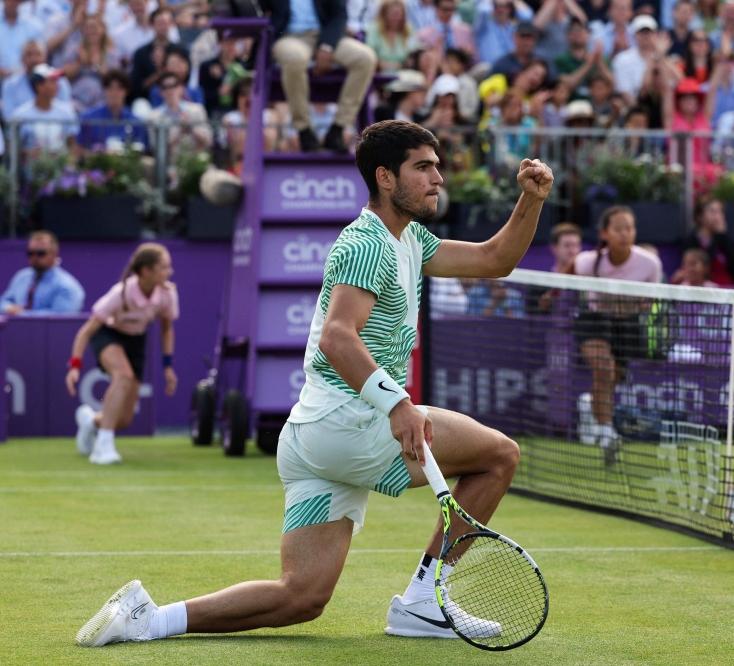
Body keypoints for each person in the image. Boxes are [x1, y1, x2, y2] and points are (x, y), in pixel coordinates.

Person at [74, 119, 554, 648]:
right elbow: (337, 337)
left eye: (437, 166)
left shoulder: (411, 238)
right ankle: (423, 600)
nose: (437, 177)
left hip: (310, 439)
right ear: (385, 178)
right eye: (423, 166)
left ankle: (149, 619)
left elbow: (495, 259)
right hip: (354, 423)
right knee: (500, 455)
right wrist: (397, 404)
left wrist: (530, 200)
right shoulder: (367, 243)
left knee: (300, 597)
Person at [65, 243, 179, 465]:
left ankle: (90, 421)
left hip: (136, 341)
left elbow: (166, 328)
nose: (169, 272)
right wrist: (75, 366)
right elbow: (86, 331)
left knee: (124, 419)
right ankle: (102, 448)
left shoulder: (167, 294)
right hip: (109, 335)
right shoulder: (121, 294)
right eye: (164, 267)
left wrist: (168, 366)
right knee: (123, 375)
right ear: (146, 271)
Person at [570, 206, 662, 464]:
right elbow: (569, 270)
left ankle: (593, 406)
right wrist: (549, 295)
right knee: (604, 369)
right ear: (605, 233)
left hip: (628, 325)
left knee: (612, 379)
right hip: (594, 320)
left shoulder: (649, 264)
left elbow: (653, 299)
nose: (625, 234)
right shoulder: (589, 261)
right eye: (618, 229)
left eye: (629, 228)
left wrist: (645, 301)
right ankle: (607, 435)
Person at [263, 0, 378, 153]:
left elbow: (339, 14)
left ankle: (338, 129)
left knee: (366, 58)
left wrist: (327, 45)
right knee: (294, 59)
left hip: (326, 35)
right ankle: (303, 130)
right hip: (289, 37)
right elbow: (257, 9)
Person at [0, 230, 85, 316]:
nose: (34, 257)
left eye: (40, 253)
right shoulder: (21, 278)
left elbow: (60, 319)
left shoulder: (66, 286)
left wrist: (21, 314)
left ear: (54, 253)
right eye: (30, 253)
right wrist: (7, 308)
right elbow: (3, 302)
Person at [9, 64, 79, 152]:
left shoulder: (67, 112)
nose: (57, 86)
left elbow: (72, 146)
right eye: (52, 81)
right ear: (39, 86)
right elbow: (14, 150)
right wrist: (30, 154)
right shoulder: (19, 115)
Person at [77, 69, 149, 151]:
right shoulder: (89, 118)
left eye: (119, 88)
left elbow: (143, 152)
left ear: (126, 91)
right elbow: (80, 150)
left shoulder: (137, 123)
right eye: (110, 88)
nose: (114, 93)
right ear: (104, 90)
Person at [0, 39, 72, 120]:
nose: (34, 59)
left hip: (58, 132)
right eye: (29, 54)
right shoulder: (10, 84)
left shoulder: (60, 81)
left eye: (38, 54)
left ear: (45, 57)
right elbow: (9, 119)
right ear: (22, 58)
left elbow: (68, 118)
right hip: (23, 132)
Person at [677, 195, 734, 285]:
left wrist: (723, 237)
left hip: (728, 288)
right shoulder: (691, 241)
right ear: (699, 216)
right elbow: (704, 265)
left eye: (721, 211)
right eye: (713, 211)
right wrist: (717, 238)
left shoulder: (726, 238)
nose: (718, 216)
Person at [147, 72, 212, 155]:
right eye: (165, 87)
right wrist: (179, 131)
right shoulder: (153, 117)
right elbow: (156, 148)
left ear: (181, 88)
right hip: (168, 165)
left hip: (196, 162)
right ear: (160, 92)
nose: (169, 91)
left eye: (173, 86)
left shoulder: (197, 110)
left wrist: (190, 127)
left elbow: (208, 143)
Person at [64, 14, 119, 112]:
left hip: (102, 101)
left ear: (102, 29)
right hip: (77, 100)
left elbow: (115, 81)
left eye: (95, 27)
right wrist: (80, 63)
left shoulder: (111, 54)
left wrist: (99, 66)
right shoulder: (75, 50)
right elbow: (65, 76)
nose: (91, 30)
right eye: (88, 27)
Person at [130, 8, 183, 101]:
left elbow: (185, 81)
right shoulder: (141, 53)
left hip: (176, 98)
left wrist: (167, 66)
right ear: (152, 25)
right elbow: (138, 87)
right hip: (146, 100)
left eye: (167, 22)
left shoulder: (180, 51)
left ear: (171, 24)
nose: (164, 26)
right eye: (160, 23)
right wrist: (159, 73)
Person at [199, 34, 248, 117]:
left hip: (237, 110)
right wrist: (218, 92)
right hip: (215, 110)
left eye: (234, 43)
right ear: (220, 44)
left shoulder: (243, 66)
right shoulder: (207, 66)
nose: (231, 47)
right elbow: (202, 94)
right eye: (228, 43)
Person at [475, 0, 535, 66]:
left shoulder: (514, 28)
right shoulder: (484, 27)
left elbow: (528, 17)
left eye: (506, 6)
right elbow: (484, 11)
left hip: (511, 71)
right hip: (489, 71)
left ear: (511, 9)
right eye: (497, 6)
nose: (501, 10)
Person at [0, 0, 42, 77]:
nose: (12, 2)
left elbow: (41, 55)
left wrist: (25, 71)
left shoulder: (33, 25)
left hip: (28, 78)